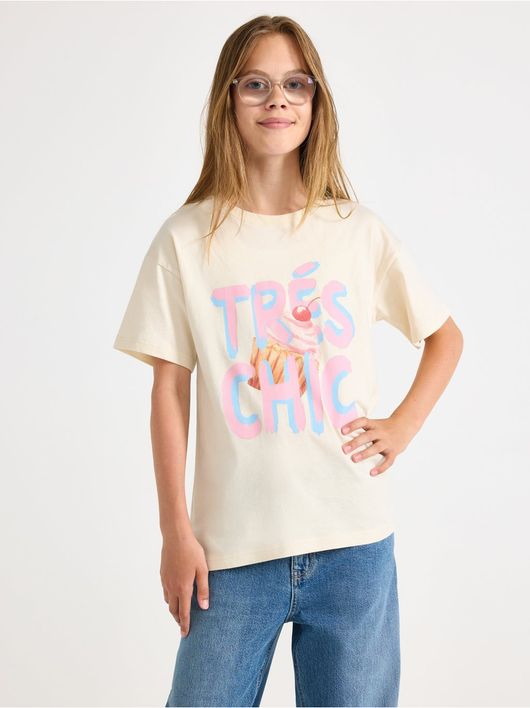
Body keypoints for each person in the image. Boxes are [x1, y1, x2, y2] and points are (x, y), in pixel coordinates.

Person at [113, 15, 463, 708]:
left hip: (353, 543)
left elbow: (444, 337)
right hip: (230, 554)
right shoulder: (186, 240)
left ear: (315, 100)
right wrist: (174, 531)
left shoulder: (356, 232)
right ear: (228, 99)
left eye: (295, 84)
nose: (277, 99)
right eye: (256, 84)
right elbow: (168, 393)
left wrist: (403, 425)